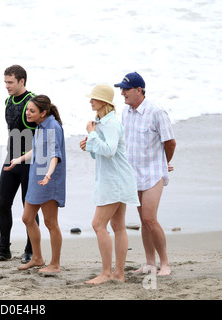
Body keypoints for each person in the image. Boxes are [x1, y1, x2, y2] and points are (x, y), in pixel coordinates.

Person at [114, 72, 176, 276]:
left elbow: (170, 142)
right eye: (121, 89)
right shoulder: (126, 112)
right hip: (133, 174)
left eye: (126, 89)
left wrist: (164, 163)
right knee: (143, 220)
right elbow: (124, 142)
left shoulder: (156, 111)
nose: (122, 93)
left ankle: (165, 263)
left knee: (150, 218)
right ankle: (150, 262)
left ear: (139, 90)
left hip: (153, 173)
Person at [80, 84, 140, 284]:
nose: (90, 101)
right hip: (114, 179)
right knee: (117, 226)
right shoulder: (101, 122)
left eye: (94, 98)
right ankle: (119, 274)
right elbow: (100, 153)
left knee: (98, 224)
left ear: (104, 102)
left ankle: (107, 273)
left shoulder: (111, 123)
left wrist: (92, 134)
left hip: (115, 181)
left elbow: (110, 150)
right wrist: (88, 144)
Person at [5, 95, 65, 273]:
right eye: (27, 110)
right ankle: (37, 258)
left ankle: (55, 264)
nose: (28, 114)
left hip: (48, 179)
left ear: (43, 112)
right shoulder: (40, 126)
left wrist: (48, 175)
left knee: (50, 222)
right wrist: (18, 159)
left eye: (32, 111)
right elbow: (38, 149)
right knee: (27, 218)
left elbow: (55, 155)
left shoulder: (53, 127)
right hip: (37, 176)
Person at [0, 65, 39, 263]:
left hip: (31, 161)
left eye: (10, 82)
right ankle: (3, 250)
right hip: (11, 158)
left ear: (22, 81)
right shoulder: (8, 101)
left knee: (29, 209)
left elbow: (45, 132)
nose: (7, 86)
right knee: (2, 204)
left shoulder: (33, 102)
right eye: (5, 82)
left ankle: (30, 250)